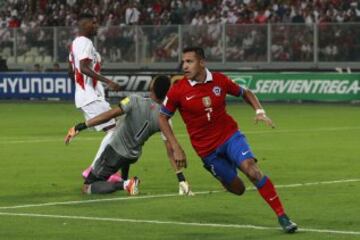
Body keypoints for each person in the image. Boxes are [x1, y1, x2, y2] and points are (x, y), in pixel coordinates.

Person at [159, 47, 298, 233]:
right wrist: (176, 147)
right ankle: (224, 176)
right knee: (238, 189)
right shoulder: (178, 90)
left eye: (189, 61)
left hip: (230, 136)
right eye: (183, 62)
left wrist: (260, 111)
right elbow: (162, 117)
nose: (184, 66)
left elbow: (245, 92)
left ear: (202, 62)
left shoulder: (220, 80)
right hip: (207, 150)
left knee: (252, 171)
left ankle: (283, 216)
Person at [65, 75, 193, 196]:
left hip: (115, 151)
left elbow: (109, 115)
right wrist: (181, 179)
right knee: (126, 153)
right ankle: (125, 180)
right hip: (133, 155)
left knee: (88, 187)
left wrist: (81, 126)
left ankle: (126, 184)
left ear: (151, 88)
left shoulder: (134, 100)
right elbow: (170, 150)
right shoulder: (165, 119)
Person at [68, 13, 122, 183]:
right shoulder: (84, 42)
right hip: (89, 96)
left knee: (115, 130)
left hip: (88, 95)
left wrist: (83, 88)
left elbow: (72, 71)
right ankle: (95, 169)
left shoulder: (76, 44)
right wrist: (107, 82)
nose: (97, 26)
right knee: (115, 131)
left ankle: (101, 169)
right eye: (94, 22)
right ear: (84, 25)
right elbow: (83, 68)